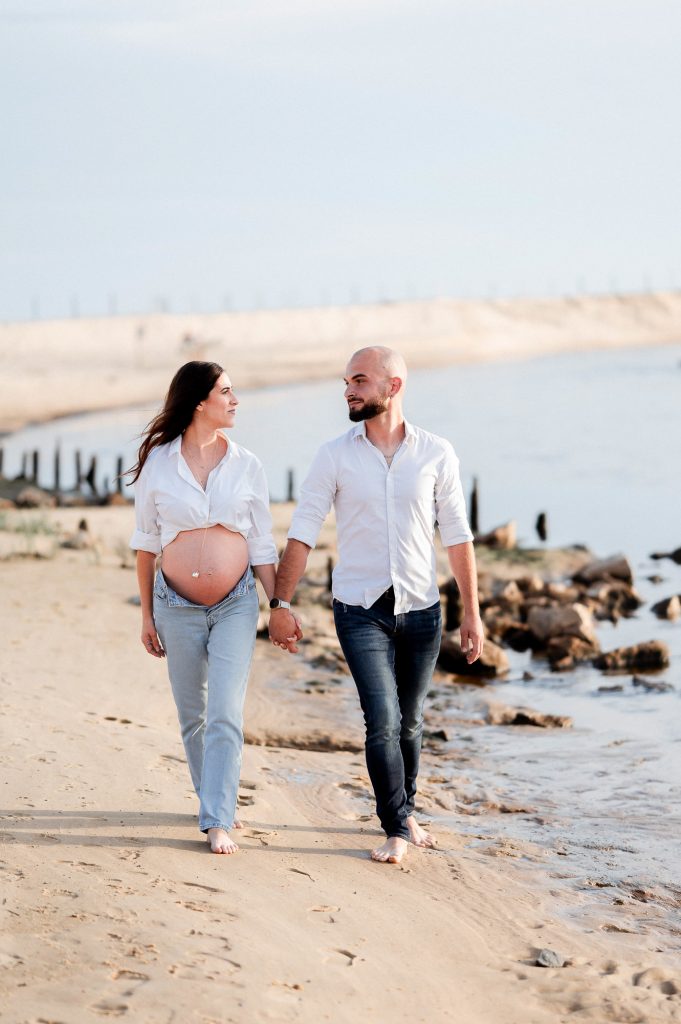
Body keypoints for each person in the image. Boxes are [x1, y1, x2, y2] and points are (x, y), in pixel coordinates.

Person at [269, 346, 483, 864]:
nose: (349, 390)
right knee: (382, 719)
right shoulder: (334, 455)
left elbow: (457, 536)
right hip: (359, 609)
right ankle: (395, 826)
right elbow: (303, 531)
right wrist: (279, 602)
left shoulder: (436, 453)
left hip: (422, 609)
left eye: (360, 380)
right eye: (346, 382)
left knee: (410, 721)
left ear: (394, 386)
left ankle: (405, 810)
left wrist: (472, 614)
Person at [129, 361, 295, 855]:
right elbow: (145, 544)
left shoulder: (247, 464)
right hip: (174, 606)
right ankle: (213, 799)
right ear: (200, 401)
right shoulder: (159, 463)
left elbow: (261, 543)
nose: (235, 400)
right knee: (192, 714)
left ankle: (218, 818)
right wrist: (146, 616)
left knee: (225, 710)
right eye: (226, 392)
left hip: (236, 604)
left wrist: (279, 604)